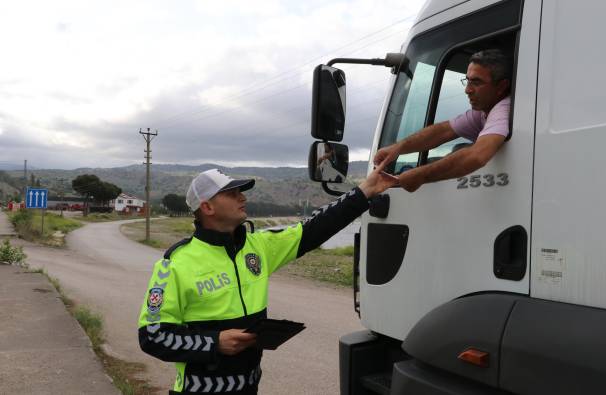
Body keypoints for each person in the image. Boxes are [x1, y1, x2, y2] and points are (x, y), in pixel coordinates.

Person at [137, 167, 396, 395]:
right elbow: (152, 336)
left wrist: (364, 192)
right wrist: (214, 342)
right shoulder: (174, 265)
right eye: (232, 193)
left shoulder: (258, 247)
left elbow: (314, 228)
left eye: (241, 191)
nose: (243, 197)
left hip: (250, 386)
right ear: (207, 207)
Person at [374, 48, 512, 192]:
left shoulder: (504, 108)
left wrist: (421, 175)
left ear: (501, 86)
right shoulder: (483, 111)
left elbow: (478, 155)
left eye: (476, 82)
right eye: (467, 81)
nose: (467, 90)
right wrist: (397, 148)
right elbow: (443, 131)